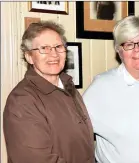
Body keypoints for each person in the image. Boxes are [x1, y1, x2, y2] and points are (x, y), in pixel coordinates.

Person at [3, 21, 95, 163]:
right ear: (29, 57)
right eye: (44, 48)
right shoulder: (22, 100)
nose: (54, 54)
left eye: (58, 47)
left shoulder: (68, 87)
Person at [83, 15, 139, 163]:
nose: (137, 50)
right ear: (118, 50)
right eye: (128, 44)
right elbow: (75, 132)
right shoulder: (101, 86)